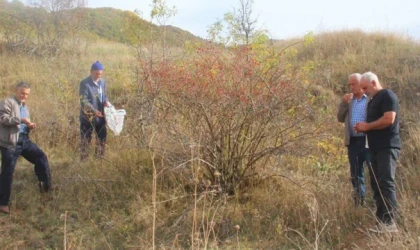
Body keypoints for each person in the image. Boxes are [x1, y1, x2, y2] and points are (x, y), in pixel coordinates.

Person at [354, 72, 401, 233]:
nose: (364, 91)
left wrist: (367, 126)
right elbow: (374, 122)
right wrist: (363, 126)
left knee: (386, 182)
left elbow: (389, 119)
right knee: (377, 185)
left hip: (387, 147)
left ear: (374, 82)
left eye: (365, 88)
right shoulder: (372, 101)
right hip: (373, 148)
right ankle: (381, 222)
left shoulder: (387, 95)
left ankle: (390, 223)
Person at [0, 82, 52, 214]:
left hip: (24, 140)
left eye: (27, 94)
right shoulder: (7, 102)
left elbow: (22, 123)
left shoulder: (25, 106)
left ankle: (45, 188)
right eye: (22, 93)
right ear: (16, 91)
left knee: (41, 157)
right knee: (8, 171)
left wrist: (29, 126)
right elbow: (3, 118)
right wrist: (21, 120)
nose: (24, 96)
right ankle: (3, 203)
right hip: (10, 142)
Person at [337, 73, 371, 206]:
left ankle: (376, 201)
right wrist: (343, 103)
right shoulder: (349, 101)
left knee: (373, 172)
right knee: (356, 174)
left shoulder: (369, 99)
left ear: (361, 83)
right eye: (349, 84)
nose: (351, 87)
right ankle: (359, 203)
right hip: (353, 142)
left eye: (354, 84)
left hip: (368, 141)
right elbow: (340, 118)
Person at [79, 61, 110, 161]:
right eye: (97, 74)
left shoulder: (103, 82)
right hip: (88, 117)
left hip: (101, 117)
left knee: (102, 139)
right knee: (86, 140)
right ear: (91, 72)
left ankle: (99, 160)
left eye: (100, 74)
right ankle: (84, 161)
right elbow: (84, 100)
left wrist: (107, 102)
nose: (99, 76)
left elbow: (103, 96)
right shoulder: (85, 83)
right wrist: (93, 110)